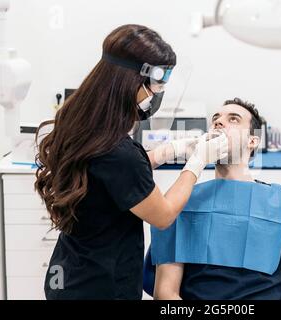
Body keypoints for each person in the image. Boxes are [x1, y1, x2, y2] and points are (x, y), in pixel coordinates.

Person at [35, 24, 228, 300]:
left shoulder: (85, 127)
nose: (158, 94)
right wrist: (197, 163)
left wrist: (167, 151)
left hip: (67, 275)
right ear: (132, 82)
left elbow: (109, 178)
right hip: (101, 287)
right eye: (157, 85)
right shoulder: (118, 151)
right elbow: (163, 215)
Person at [152, 98, 281, 300]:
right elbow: (165, 292)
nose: (219, 122)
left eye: (233, 119)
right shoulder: (180, 202)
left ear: (253, 141)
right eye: (215, 119)